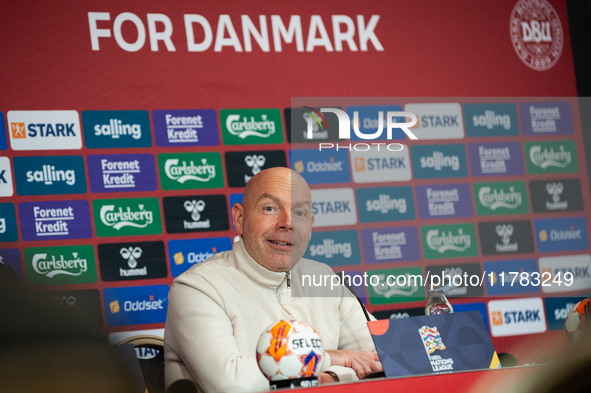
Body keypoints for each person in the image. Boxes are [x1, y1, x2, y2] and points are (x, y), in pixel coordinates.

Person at [164, 167, 382, 392]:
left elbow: (385, 358)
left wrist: (332, 376)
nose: (287, 223)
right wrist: (329, 359)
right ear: (240, 218)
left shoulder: (323, 277)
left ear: (310, 224)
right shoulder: (197, 287)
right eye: (270, 208)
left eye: (299, 213)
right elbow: (233, 383)